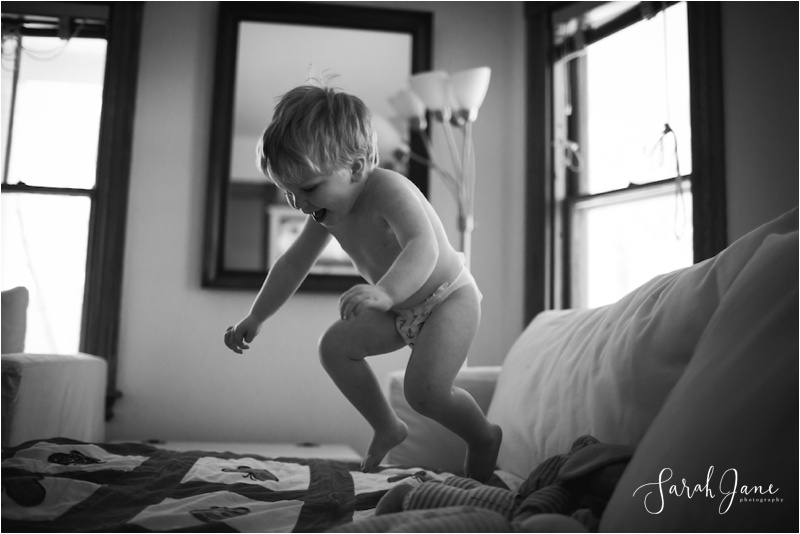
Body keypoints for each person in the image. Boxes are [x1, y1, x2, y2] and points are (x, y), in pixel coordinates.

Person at [223, 82, 502, 482]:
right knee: (334, 347)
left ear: (355, 168)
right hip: (399, 307)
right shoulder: (327, 212)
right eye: (287, 193)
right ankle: (388, 427)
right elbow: (292, 263)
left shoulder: (388, 188)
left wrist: (385, 292)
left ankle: (483, 437)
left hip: (448, 299)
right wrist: (256, 316)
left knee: (424, 392)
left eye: (308, 188)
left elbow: (422, 246)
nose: (300, 204)